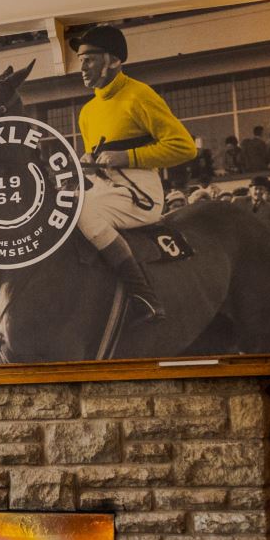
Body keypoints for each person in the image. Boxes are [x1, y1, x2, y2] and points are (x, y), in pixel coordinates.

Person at [70, 23, 197, 322]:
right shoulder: (87, 111)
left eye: (89, 59)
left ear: (113, 60)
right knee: (64, 208)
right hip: (105, 191)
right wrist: (89, 162)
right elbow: (102, 163)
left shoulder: (139, 95)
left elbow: (185, 147)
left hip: (141, 194)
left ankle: (145, 296)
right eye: (81, 60)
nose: (83, 67)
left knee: (83, 212)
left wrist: (127, 156)